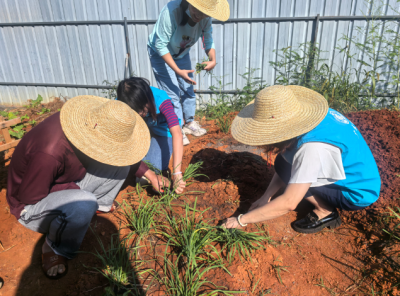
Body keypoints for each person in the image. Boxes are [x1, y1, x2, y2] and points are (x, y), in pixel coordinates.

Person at [6, 96, 169, 279]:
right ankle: (54, 247)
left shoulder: (86, 123)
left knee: (121, 165)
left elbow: (119, 156)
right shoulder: (50, 152)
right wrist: (78, 193)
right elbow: (30, 196)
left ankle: (91, 208)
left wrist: (151, 175)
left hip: (67, 179)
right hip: (31, 204)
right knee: (84, 203)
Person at [223, 85, 381, 233]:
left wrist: (241, 220)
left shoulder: (312, 148)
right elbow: (286, 165)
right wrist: (266, 198)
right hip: (358, 173)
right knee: (282, 163)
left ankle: (325, 211)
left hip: (354, 192)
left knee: (291, 175)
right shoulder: (316, 117)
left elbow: (289, 202)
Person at [147, 0, 230, 145]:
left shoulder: (205, 18)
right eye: (197, 9)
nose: (200, 15)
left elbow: (208, 39)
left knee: (187, 88)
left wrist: (213, 59)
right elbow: (160, 45)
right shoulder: (172, 11)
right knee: (172, 92)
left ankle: (189, 123)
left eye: (205, 12)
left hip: (181, 54)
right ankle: (177, 129)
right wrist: (178, 70)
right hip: (160, 53)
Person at [117, 77, 186, 194]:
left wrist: (177, 173)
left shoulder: (162, 100)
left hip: (162, 132)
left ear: (147, 99)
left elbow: (177, 133)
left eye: (142, 109)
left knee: (148, 172)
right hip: (140, 132)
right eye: (135, 110)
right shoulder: (122, 102)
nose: (139, 114)